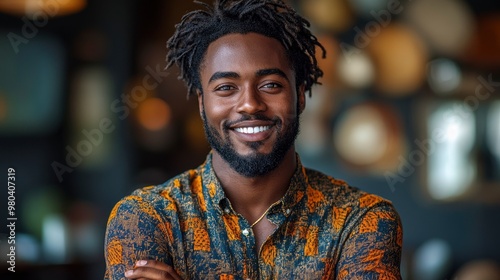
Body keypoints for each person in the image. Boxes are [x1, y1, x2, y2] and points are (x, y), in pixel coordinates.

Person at [104, 0, 403, 279]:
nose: (249, 104)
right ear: (201, 102)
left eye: (270, 85)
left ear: (299, 96)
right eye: (226, 87)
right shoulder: (146, 218)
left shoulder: (362, 220)